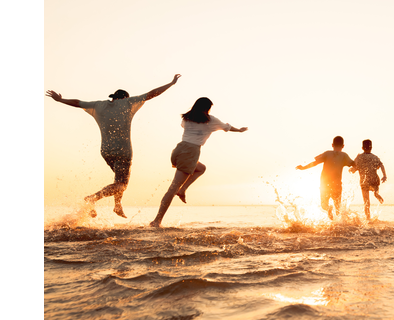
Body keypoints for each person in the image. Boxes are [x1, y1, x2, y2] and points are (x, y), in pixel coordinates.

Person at [45, 74, 181, 218]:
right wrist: (171, 83)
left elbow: (78, 103)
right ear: (124, 98)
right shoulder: (128, 103)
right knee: (122, 184)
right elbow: (152, 94)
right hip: (123, 150)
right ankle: (92, 198)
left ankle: (117, 205)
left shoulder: (99, 105)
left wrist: (60, 100)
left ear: (113, 98)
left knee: (118, 180)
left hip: (106, 151)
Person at [149, 97, 247, 228]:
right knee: (172, 189)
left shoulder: (186, 118)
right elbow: (226, 127)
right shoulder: (210, 120)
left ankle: (182, 190)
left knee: (201, 168)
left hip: (179, 150)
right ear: (207, 108)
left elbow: (185, 127)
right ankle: (157, 221)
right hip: (190, 152)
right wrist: (239, 130)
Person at [296, 136, 354, 220]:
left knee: (323, 205)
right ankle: (339, 225)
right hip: (337, 184)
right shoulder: (344, 155)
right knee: (338, 208)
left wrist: (303, 167)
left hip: (325, 184)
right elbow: (354, 164)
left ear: (332, 145)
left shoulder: (327, 153)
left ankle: (328, 209)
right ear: (343, 146)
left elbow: (315, 163)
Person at [349, 139, 387, 221]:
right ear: (371, 147)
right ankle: (377, 194)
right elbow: (381, 165)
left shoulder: (359, 158)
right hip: (374, 179)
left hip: (364, 181)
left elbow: (353, 169)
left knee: (366, 201)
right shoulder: (374, 157)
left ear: (362, 148)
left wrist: (352, 168)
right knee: (375, 192)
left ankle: (368, 218)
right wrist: (384, 175)